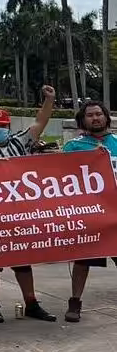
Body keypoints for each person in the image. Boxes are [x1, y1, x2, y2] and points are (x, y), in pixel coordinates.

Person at [0, 86, 57, 323]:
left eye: (3, 126)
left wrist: (49, 99)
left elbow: (40, 122)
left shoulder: (20, 143)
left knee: (22, 261)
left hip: (18, 213)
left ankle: (31, 302)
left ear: (9, 126)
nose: (0, 130)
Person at [61, 101, 117, 322]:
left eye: (99, 114)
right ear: (83, 120)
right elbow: (57, 177)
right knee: (83, 261)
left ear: (106, 118)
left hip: (115, 212)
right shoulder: (73, 147)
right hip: (89, 213)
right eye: (90, 115)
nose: (95, 118)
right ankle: (75, 302)